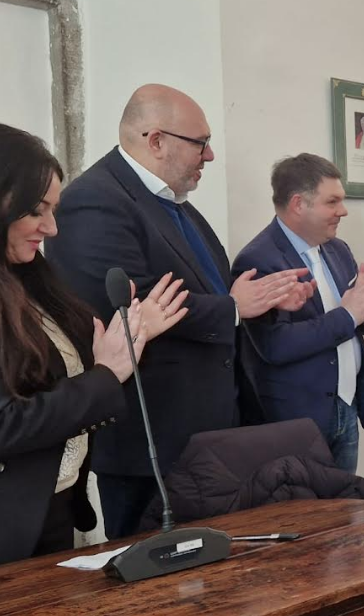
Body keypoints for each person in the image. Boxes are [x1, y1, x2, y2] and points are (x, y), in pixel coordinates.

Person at [45, 84, 312, 539]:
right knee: (151, 570)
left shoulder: (172, 204)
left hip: (210, 435)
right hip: (150, 441)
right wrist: (232, 307)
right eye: (200, 143)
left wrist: (258, 300)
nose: (209, 156)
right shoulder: (94, 201)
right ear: (156, 141)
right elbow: (131, 308)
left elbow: (206, 291)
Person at [0, 124, 187, 564]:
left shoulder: (29, 277)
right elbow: (7, 424)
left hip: (52, 507)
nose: (51, 228)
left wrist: (130, 339)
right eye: (37, 210)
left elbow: (67, 375)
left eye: (54, 210)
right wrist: (107, 373)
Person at [232, 154, 364, 473]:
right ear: (298, 204)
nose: (343, 211)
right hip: (297, 420)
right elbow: (275, 346)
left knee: (345, 503)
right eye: (332, 201)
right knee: (303, 507)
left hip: (346, 407)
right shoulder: (258, 260)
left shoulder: (338, 249)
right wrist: (349, 314)